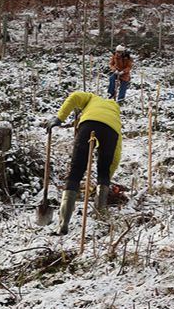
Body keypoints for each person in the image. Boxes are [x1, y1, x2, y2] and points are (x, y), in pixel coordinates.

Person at [44, 91, 122, 235]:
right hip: (111, 131)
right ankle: (100, 214)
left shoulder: (92, 97)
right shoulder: (115, 115)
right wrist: (105, 179)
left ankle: (63, 225)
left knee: (76, 171)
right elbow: (116, 155)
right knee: (103, 170)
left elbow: (74, 97)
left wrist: (60, 118)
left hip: (88, 124)